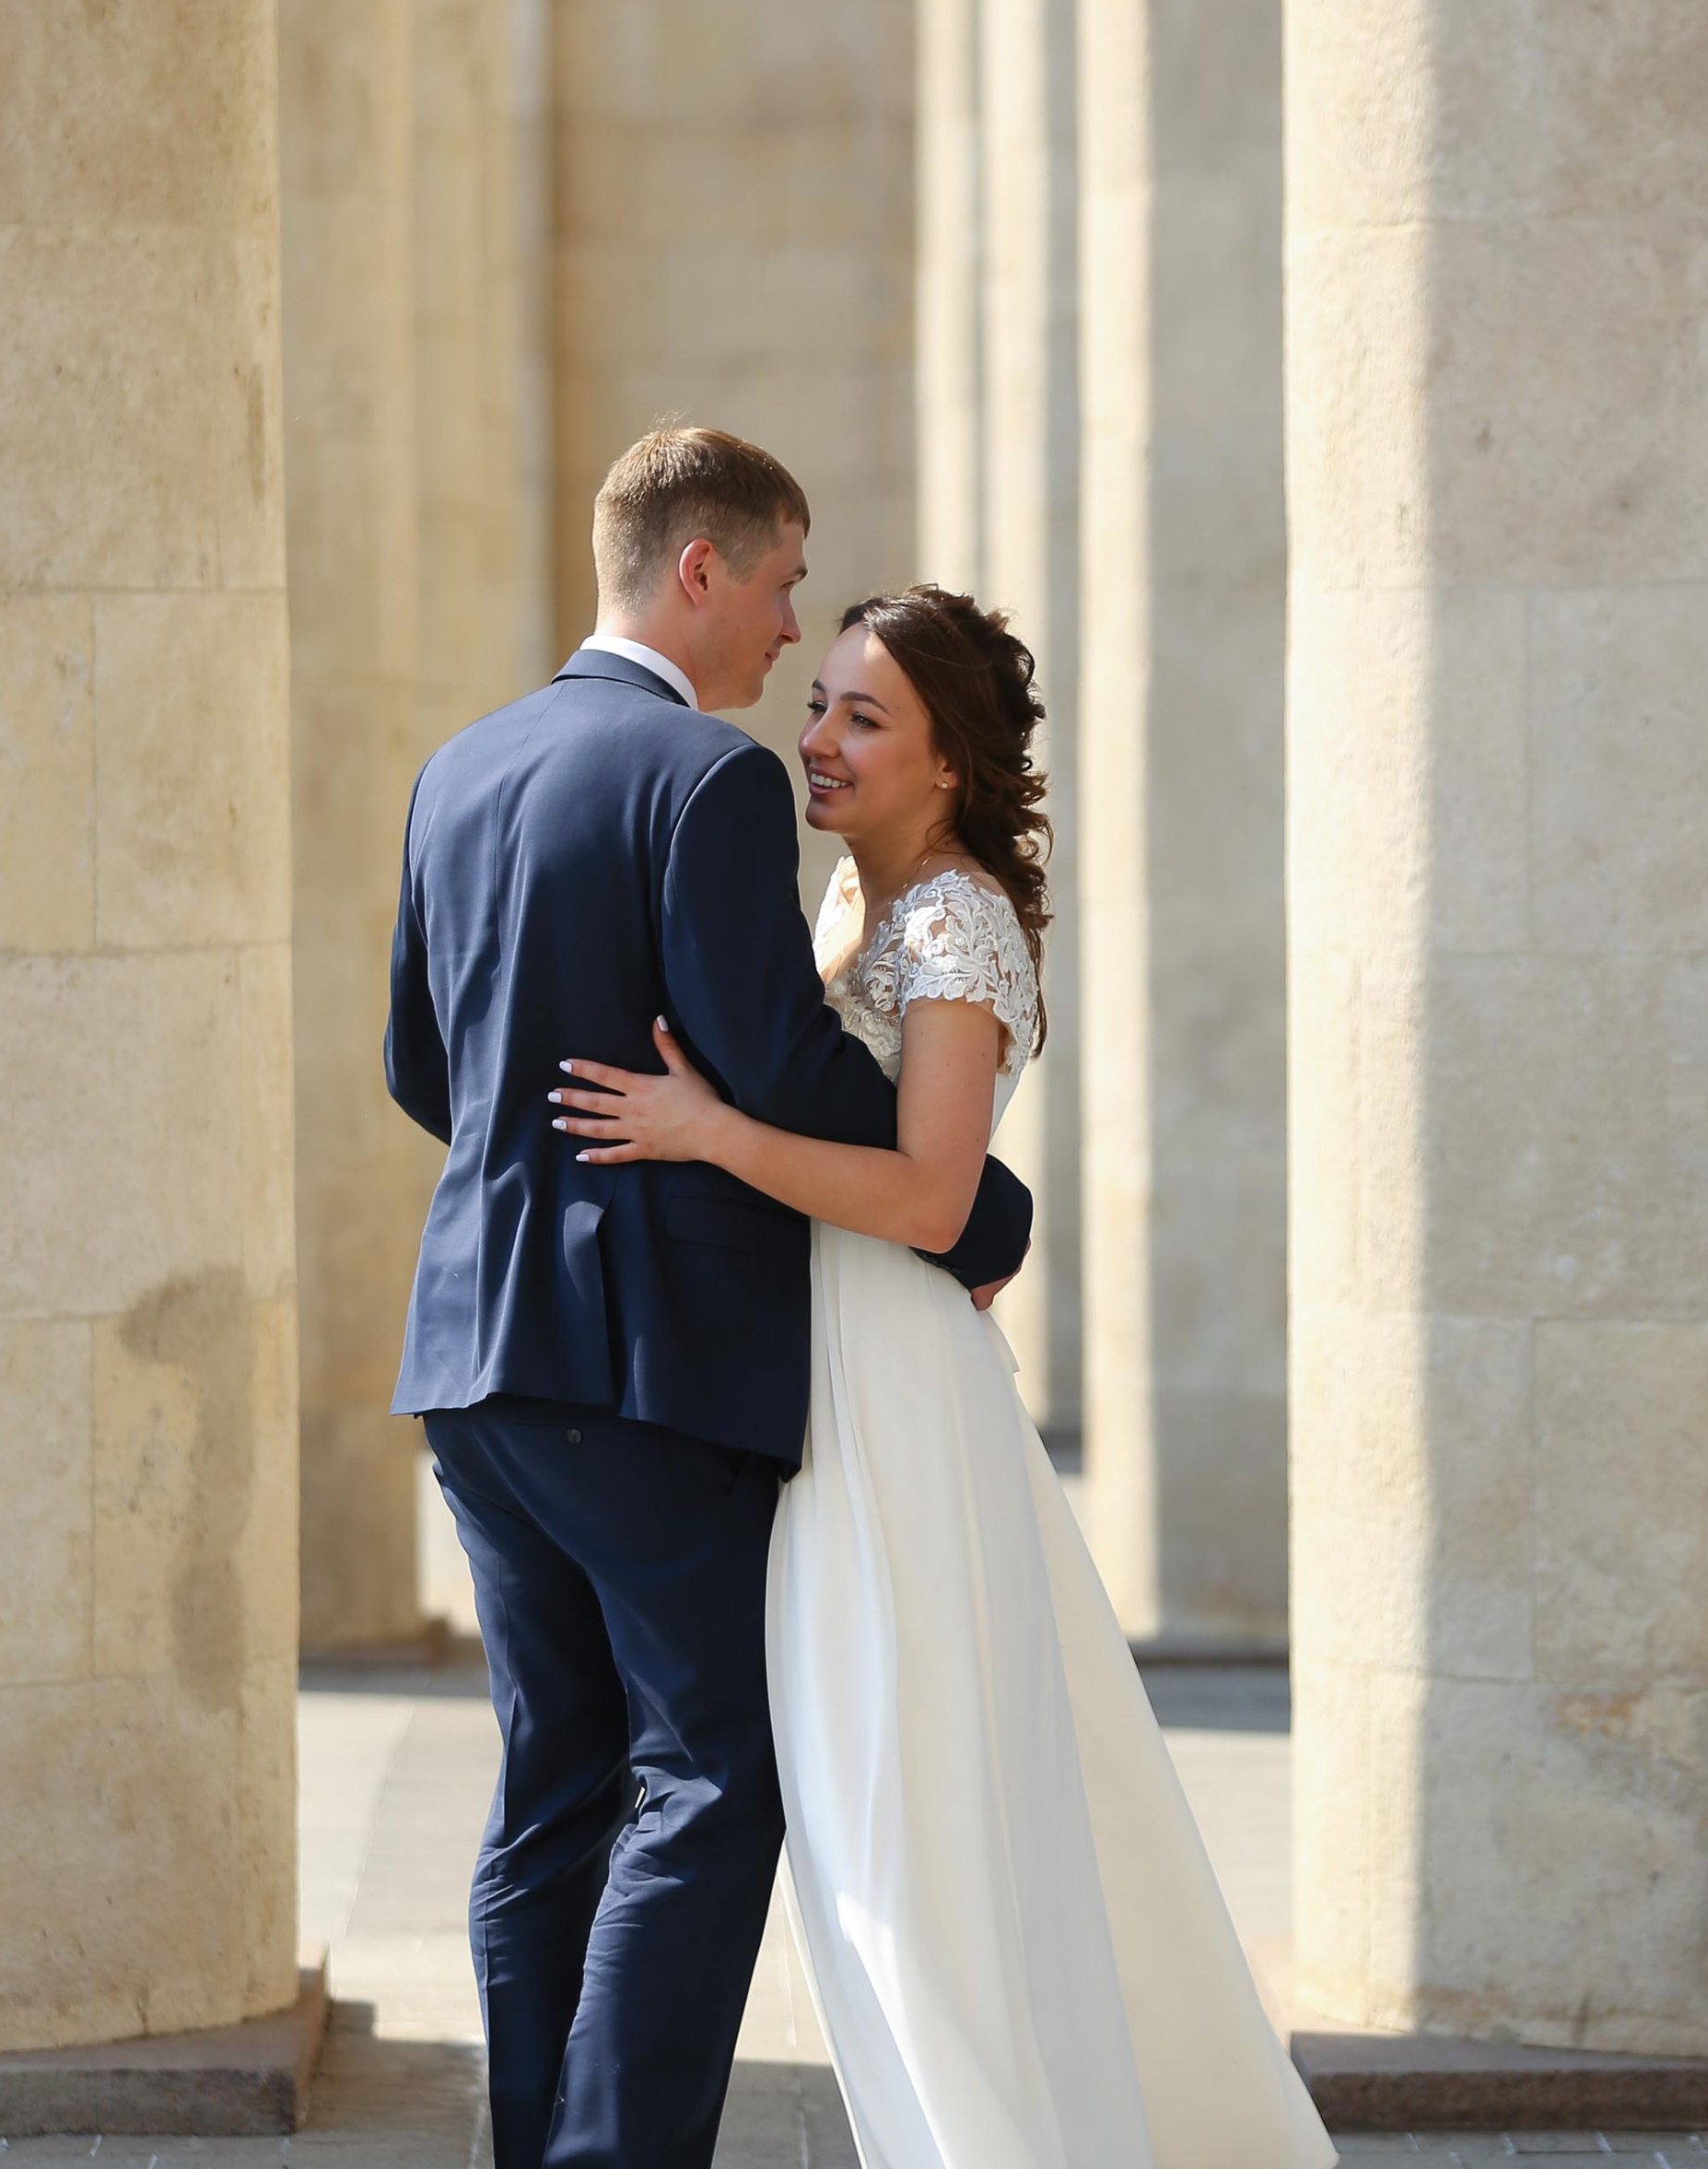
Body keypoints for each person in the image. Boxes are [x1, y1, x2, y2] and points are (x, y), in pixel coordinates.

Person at [553, 585, 1339, 2169]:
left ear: (949, 767)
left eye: (865, 716)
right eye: (823, 699)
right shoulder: (848, 912)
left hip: (896, 1395)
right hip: (823, 1379)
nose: (820, 736)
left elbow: (929, 1198)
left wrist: (708, 1131)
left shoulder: (952, 922)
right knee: (864, 1810)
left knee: (904, 1816)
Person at [383, 428, 1034, 2169]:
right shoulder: (703, 776)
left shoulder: (458, 765)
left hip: (468, 1355)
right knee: (708, 1779)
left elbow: (420, 1064)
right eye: (781, 584)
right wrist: (986, 1212)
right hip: (638, 1367)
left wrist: (549, 1159)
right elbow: (770, 1061)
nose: (785, 629)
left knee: (554, 1789)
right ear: (701, 569)